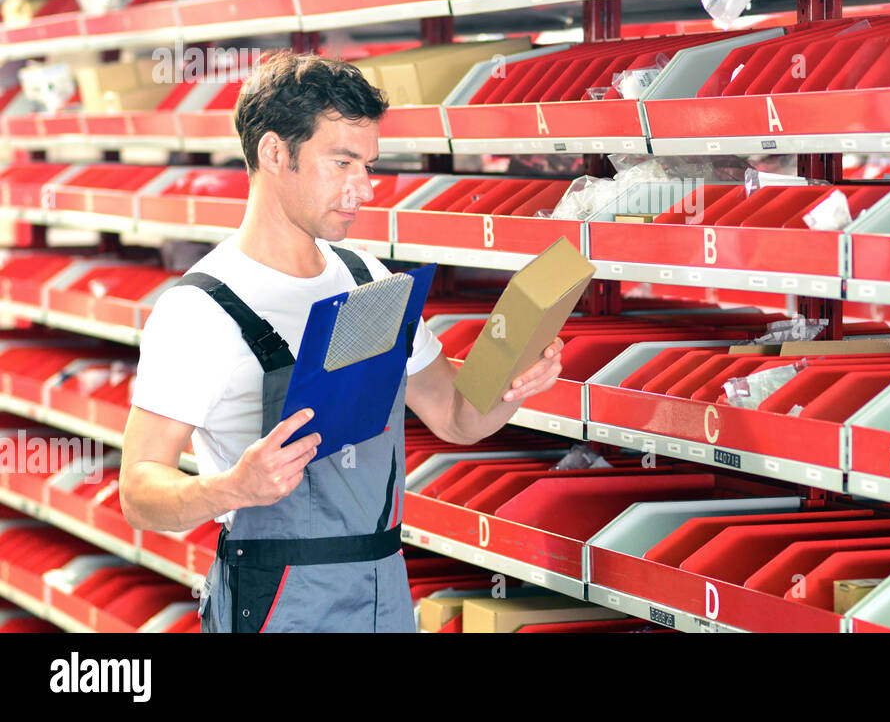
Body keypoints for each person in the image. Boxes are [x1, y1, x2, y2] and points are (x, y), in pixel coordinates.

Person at [118, 51, 563, 633]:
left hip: (382, 590)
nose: (365, 189)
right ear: (275, 153)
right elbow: (139, 489)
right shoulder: (201, 309)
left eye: (369, 166)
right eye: (343, 162)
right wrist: (232, 487)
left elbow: (456, 416)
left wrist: (513, 383)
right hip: (275, 602)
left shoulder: (369, 280)